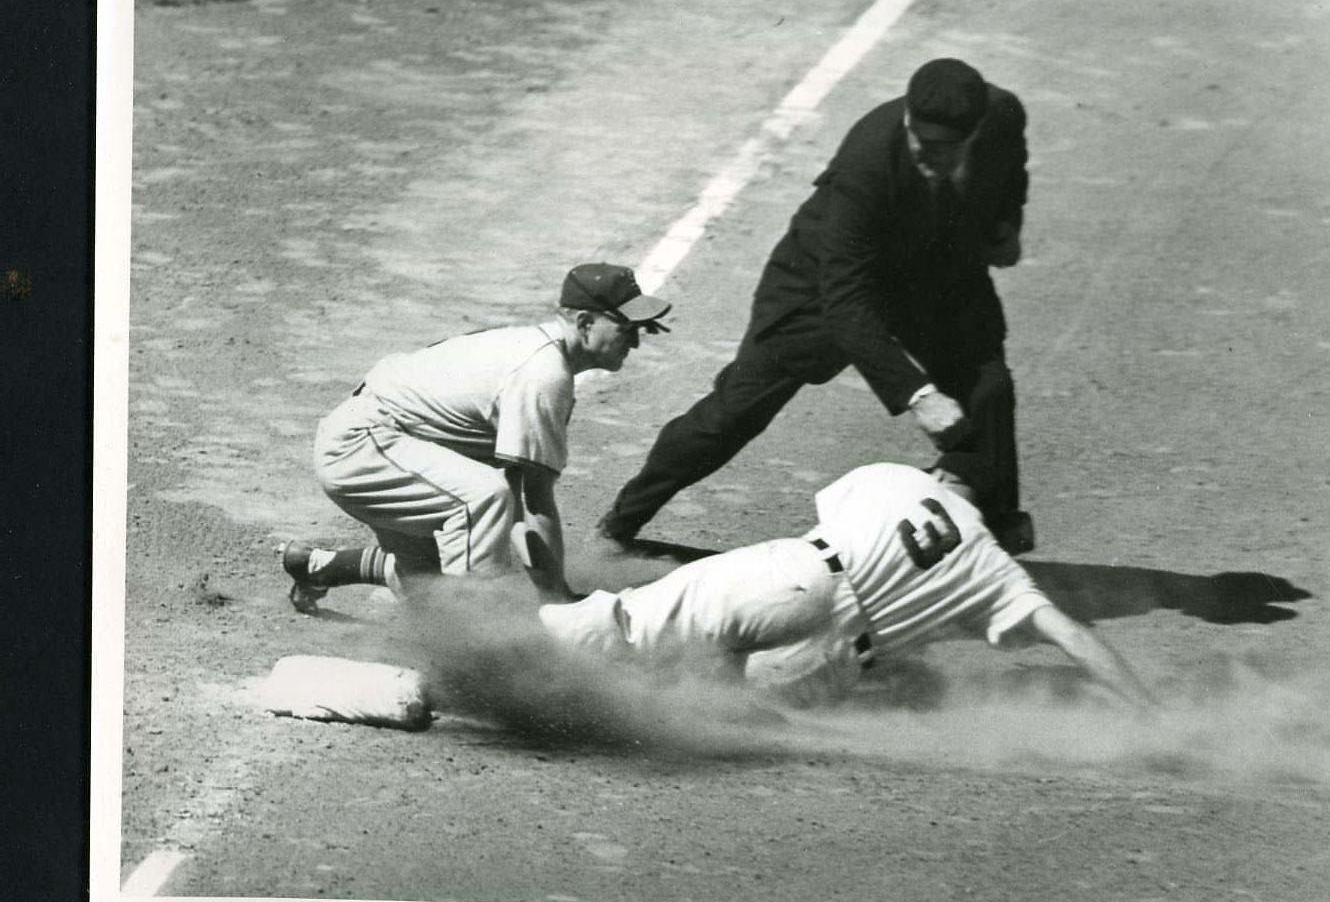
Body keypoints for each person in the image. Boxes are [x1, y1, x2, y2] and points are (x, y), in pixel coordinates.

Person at [596, 58, 1034, 555]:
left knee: (988, 386)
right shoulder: (866, 163)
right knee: (735, 413)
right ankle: (618, 527)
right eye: (923, 146)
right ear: (907, 119)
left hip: (931, 269)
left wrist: (1005, 224)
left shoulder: (1001, 113)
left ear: (975, 130)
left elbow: (1011, 168)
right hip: (822, 284)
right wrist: (919, 394)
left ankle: (993, 531)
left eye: (947, 150)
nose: (932, 160)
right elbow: (847, 302)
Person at [543, 463, 1157, 712]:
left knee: (629, 623)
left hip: (797, 578)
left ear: (945, 477)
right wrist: (1150, 712)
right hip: (836, 660)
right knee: (714, 702)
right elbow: (1073, 638)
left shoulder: (897, 477)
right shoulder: (999, 570)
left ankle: (496, 651)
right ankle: (660, 709)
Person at [278, 263, 671, 612]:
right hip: (364, 447)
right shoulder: (541, 376)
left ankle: (318, 566)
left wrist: (549, 592)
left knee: (432, 589)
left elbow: (520, 502)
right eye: (627, 329)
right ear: (585, 324)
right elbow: (535, 502)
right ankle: (482, 641)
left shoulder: (539, 355)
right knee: (483, 500)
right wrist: (559, 601)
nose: (635, 342)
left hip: (392, 444)